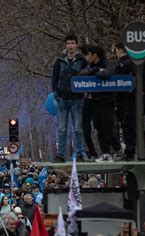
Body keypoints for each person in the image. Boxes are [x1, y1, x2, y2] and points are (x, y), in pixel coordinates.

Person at [81, 45, 124, 162]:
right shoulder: (92, 66)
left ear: (95, 55)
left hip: (107, 101)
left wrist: (97, 73)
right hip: (95, 101)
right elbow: (82, 73)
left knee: (108, 128)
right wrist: (96, 71)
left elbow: (107, 74)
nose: (87, 57)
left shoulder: (107, 63)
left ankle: (118, 148)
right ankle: (105, 153)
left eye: (88, 55)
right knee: (99, 128)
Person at [51, 33, 87, 162]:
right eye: (68, 43)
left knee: (78, 128)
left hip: (77, 99)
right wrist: (56, 93)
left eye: (72, 43)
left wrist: (85, 92)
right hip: (63, 99)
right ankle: (60, 154)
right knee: (62, 129)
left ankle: (81, 153)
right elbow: (54, 78)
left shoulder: (82, 61)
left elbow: (87, 77)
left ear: (76, 45)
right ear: (65, 45)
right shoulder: (59, 61)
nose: (70, 46)